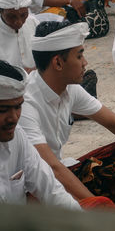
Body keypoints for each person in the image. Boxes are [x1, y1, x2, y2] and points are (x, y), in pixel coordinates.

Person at [18, 21, 115, 209]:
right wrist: (98, 206)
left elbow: (113, 122)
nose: (85, 63)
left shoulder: (69, 89)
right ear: (57, 62)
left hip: (61, 171)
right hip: (33, 189)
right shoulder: (25, 103)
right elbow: (51, 167)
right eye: (79, 56)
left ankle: (110, 207)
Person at [0, 60, 80, 210]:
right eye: (3, 110)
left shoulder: (18, 136)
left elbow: (51, 189)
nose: (14, 118)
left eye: (18, 107)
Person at [0, 0, 38, 72]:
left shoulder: (33, 23)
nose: (19, 22)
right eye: (11, 17)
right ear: (1, 11)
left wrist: (37, 70)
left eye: (23, 15)